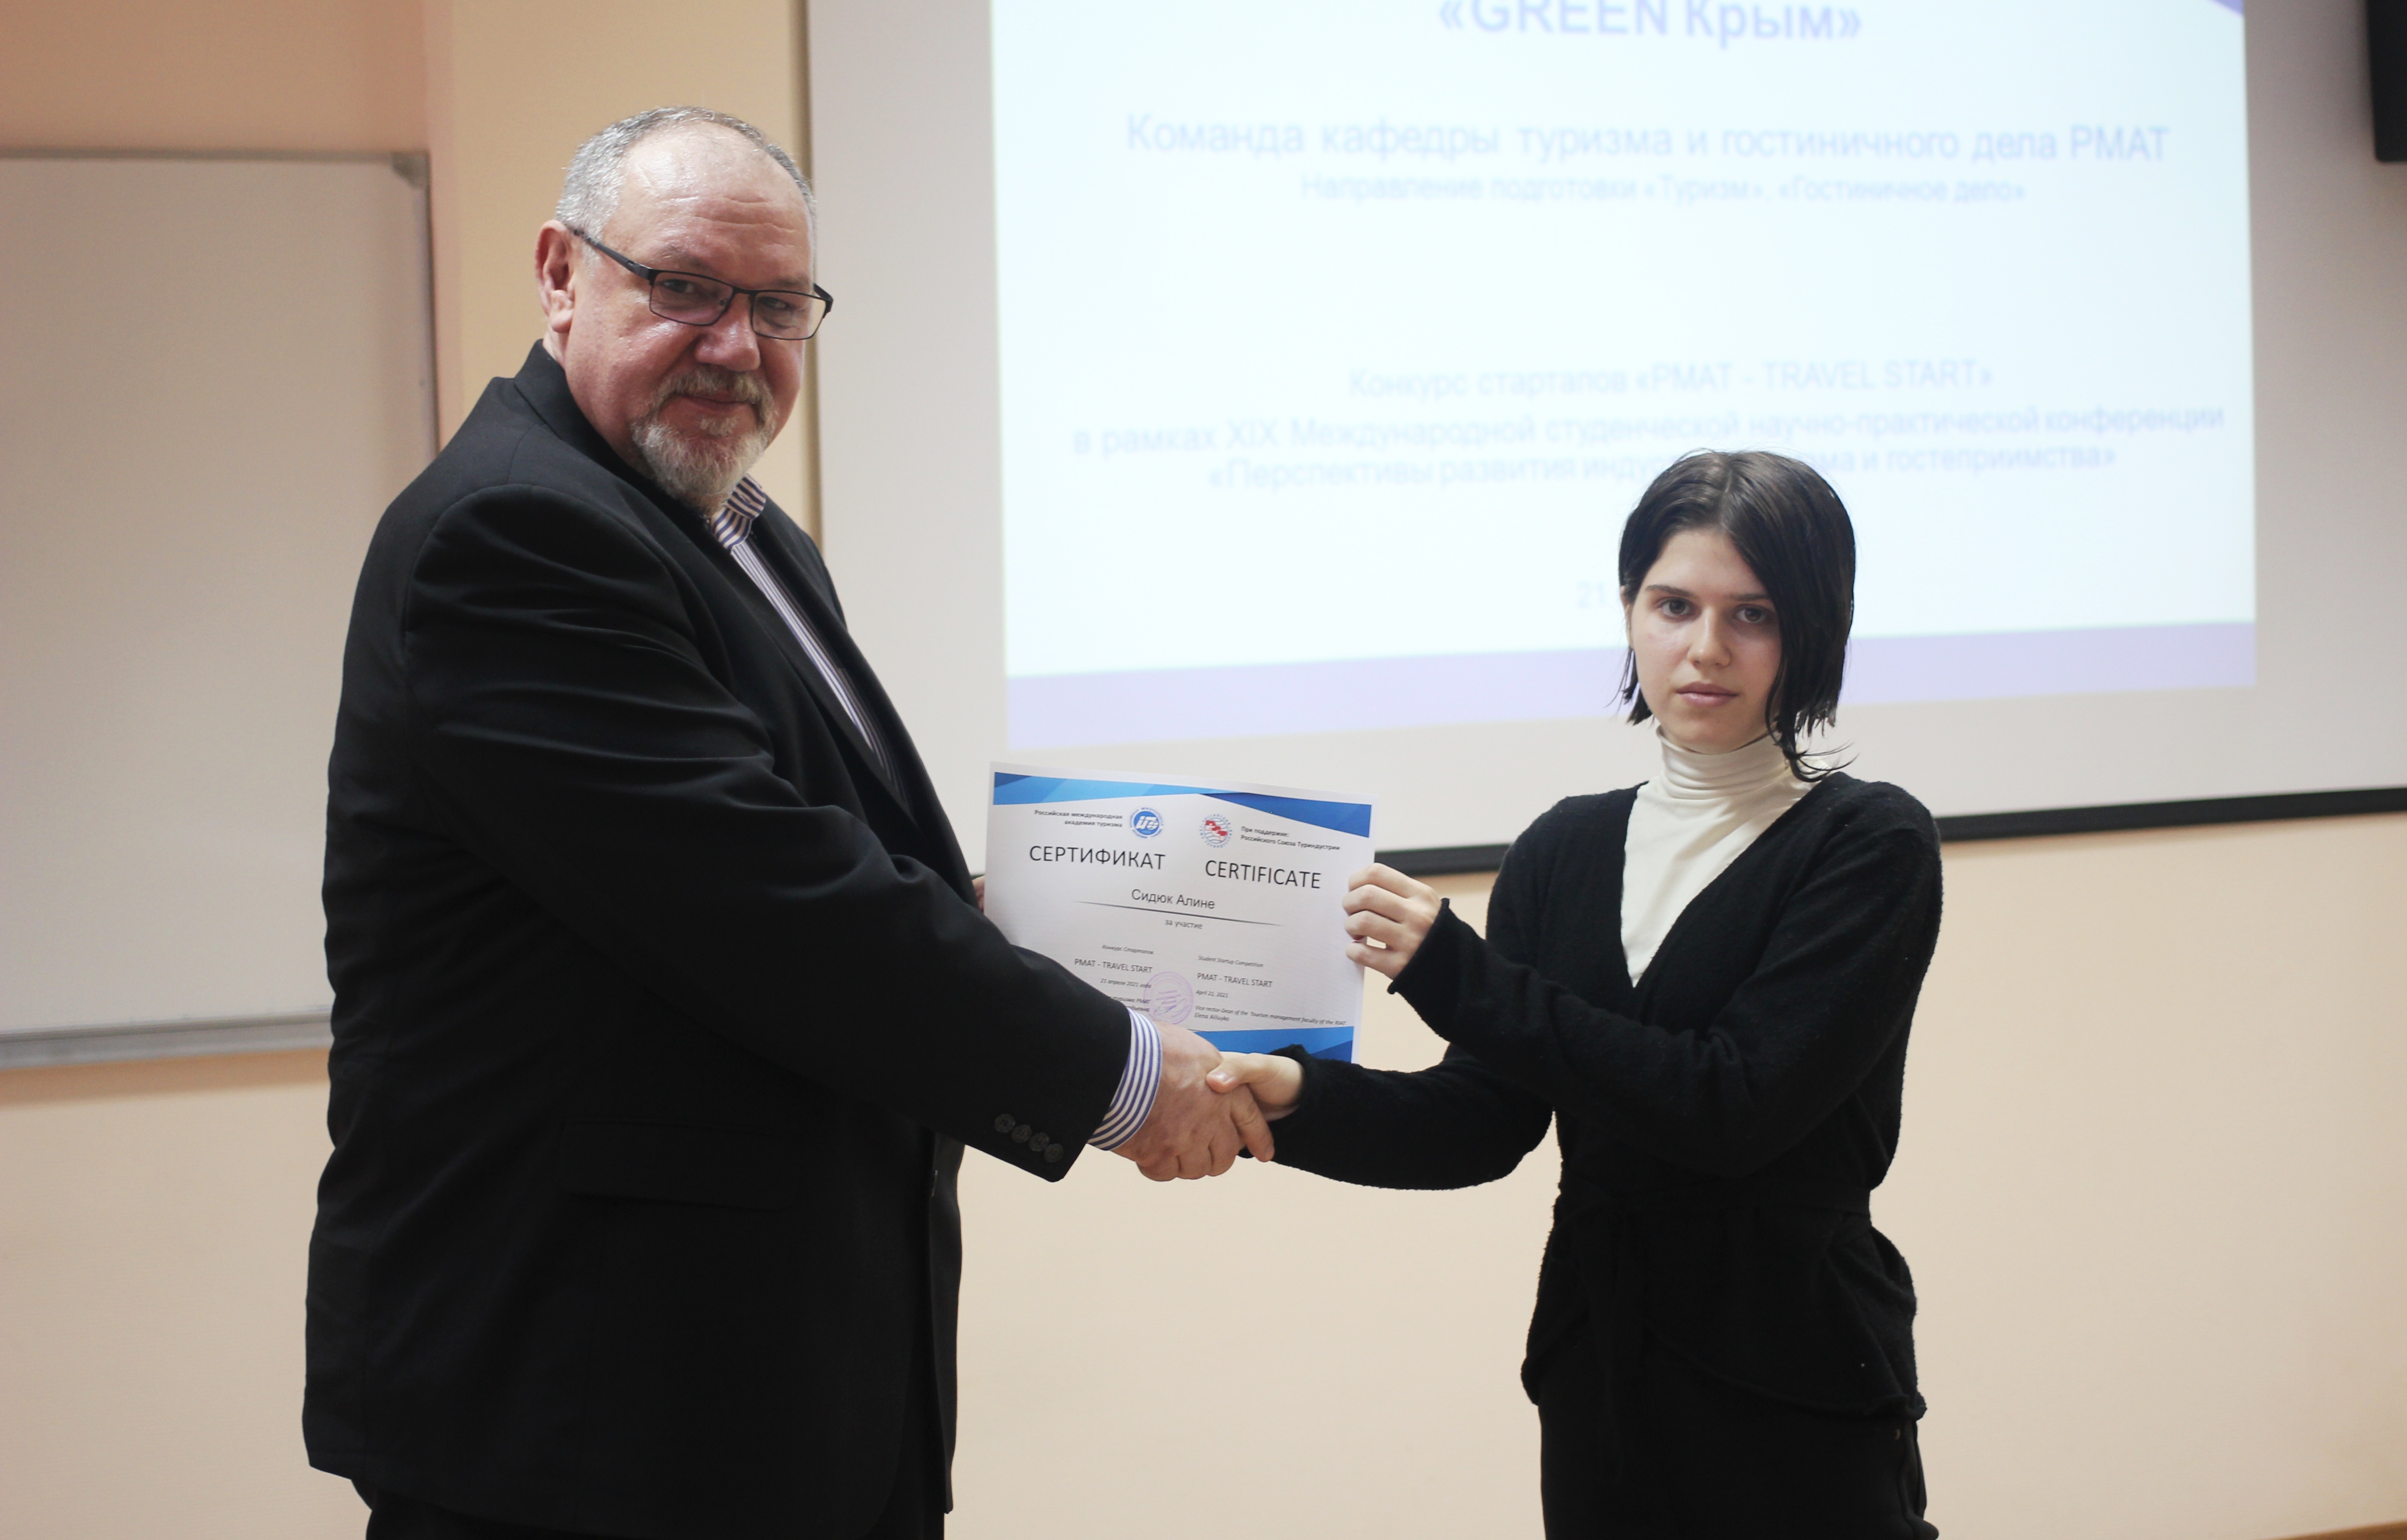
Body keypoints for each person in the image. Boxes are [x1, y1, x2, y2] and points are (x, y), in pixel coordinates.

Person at [308, 106, 1273, 1540]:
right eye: (684, 288)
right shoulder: (514, 533)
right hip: (590, 1418)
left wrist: (1041, 911)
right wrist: (1125, 1076)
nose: (735, 345)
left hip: (761, 1389)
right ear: (561, 274)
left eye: (777, 308)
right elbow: (779, 911)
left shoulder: (733, 528)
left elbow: (821, 857)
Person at [1213, 450, 1945, 1538]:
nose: (1706, 647)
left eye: (1751, 614)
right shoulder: (1562, 848)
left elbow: (1731, 1107)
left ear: (1814, 628)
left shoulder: (1868, 842)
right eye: (1673, 605)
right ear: (1629, 610)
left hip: (1796, 1381)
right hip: (1601, 1377)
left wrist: (1456, 973)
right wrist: (1296, 1098)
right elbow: (1478, 1124)